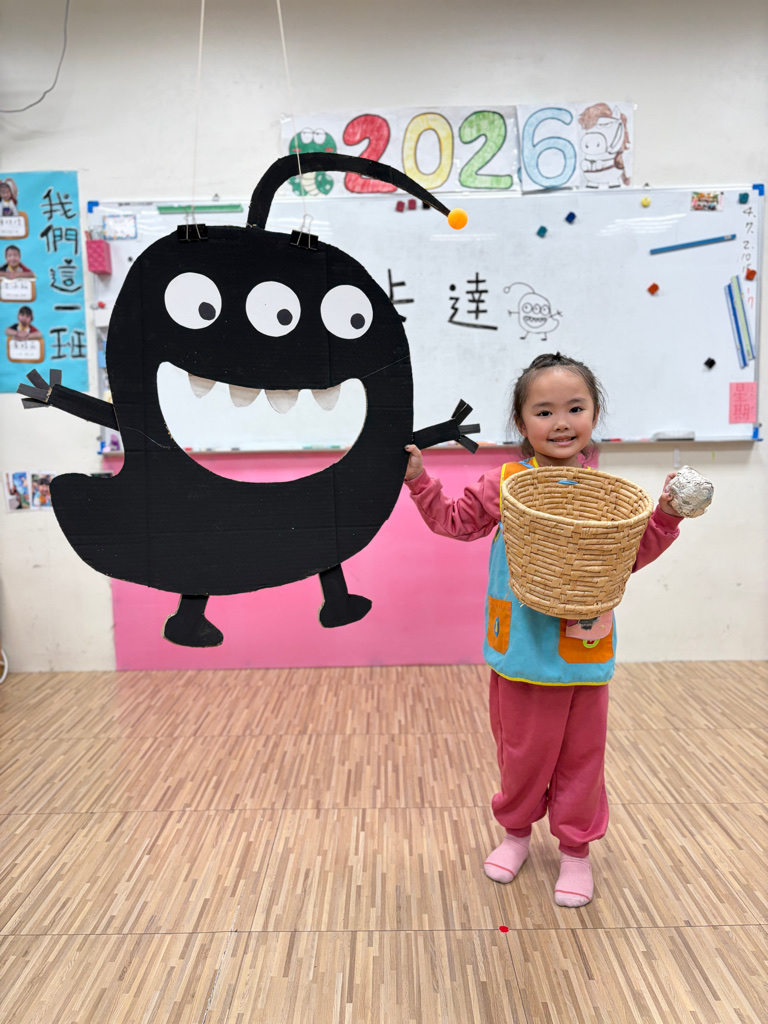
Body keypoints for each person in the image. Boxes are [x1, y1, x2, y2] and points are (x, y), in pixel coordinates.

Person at [403, 352, 684, 908]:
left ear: (594, 414)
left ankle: (576, 851)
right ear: (522, 421)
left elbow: (626, 558)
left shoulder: (605, 496)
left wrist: (667, 514)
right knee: (522, 755)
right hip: (522, 651)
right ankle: (515, 834)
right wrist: (419, 481)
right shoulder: (505, 483)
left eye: (575, 408)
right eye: (544, 411)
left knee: (582, 758)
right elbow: (455, 521)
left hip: (584, 652)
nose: (561, 423)